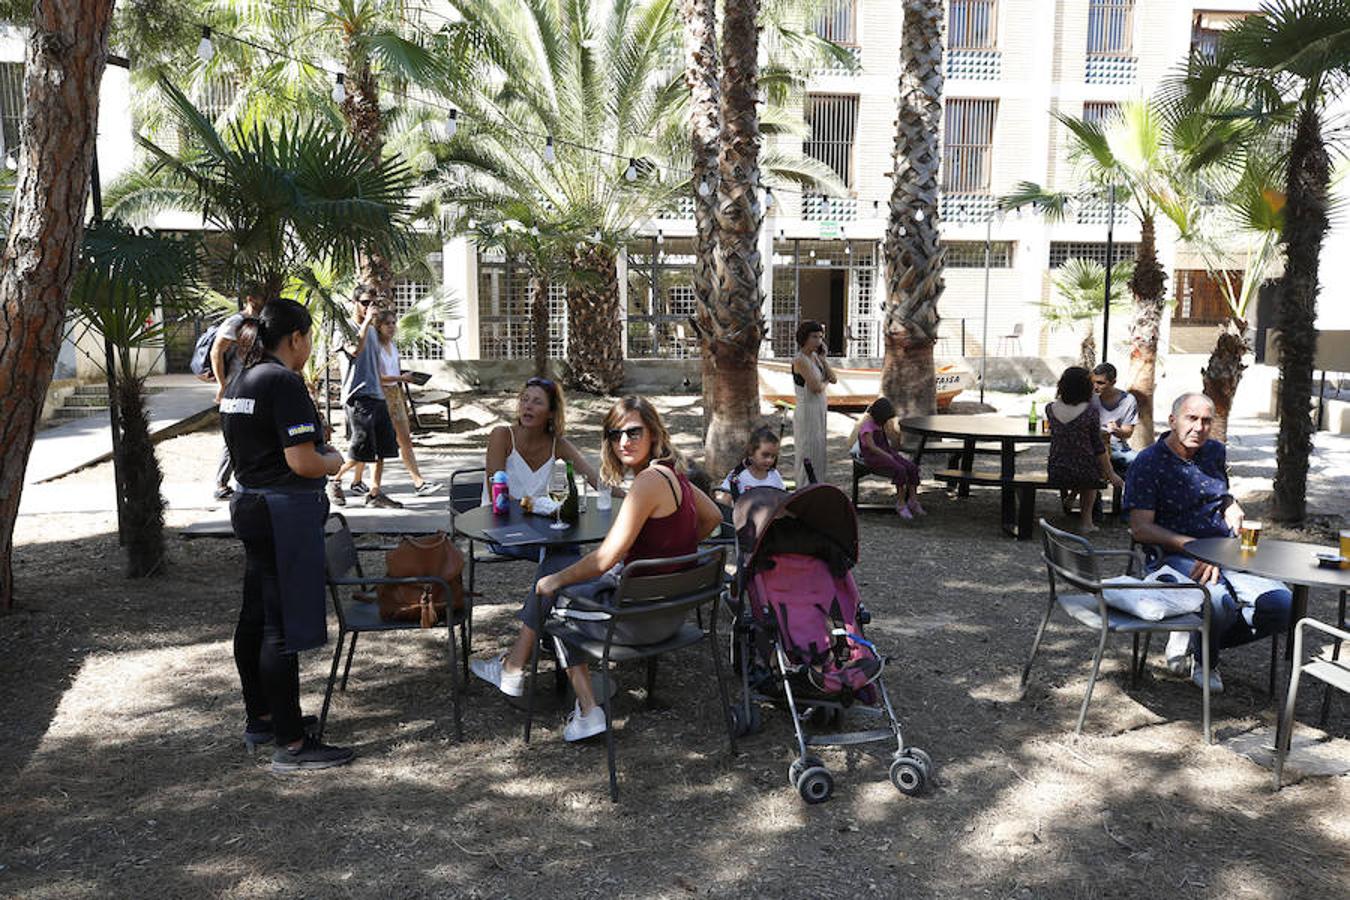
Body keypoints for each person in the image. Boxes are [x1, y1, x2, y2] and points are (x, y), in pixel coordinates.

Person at [470, 396, 724, 741]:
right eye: (614, 434)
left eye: (634, 432)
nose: (623, 442)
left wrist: (551, 582)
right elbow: (713, 517)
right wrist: (668, 549)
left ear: (654, 432)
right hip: (671, 614)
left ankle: (587, 710)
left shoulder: (647, 483)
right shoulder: (675, 475)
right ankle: (512, 669)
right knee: (560, 566)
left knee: (553, 592)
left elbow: (604, 559)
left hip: (637, 623)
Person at [221, 298, 354, 772]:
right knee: (281, 627)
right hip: (282, 513)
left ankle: (264, 717)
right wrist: (335, 461)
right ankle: (292, 744)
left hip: (251, 504)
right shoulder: (282, 381)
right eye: (309, 338)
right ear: (295, 337)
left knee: (255, 616)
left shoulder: (241, 376)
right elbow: (302, 461)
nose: (310, 347)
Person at [1124, 392, 1293, 693]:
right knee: (1217, 602)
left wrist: (1231, 503)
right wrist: (1196, 547)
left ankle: (1194, 639)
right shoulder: (1148, 463)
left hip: (1226, 550)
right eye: (1191, 419)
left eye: (1206, 421)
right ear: (1173, 420)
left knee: (1283, 606)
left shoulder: (1214, 451)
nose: (1199, 427)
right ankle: (1206, 659)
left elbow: (1218, 493)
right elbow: (1141, 529)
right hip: (1174, 554)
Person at [340, 311, 442, 499]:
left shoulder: (393, 346)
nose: (392, 327)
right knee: (370, 445)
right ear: (378, 326)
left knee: (404, 441)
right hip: (379, 394)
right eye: (387, 323)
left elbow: (394, 370)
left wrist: (405, 378)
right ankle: (350, 480)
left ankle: (418, 482)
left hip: (396, 394)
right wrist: (400, 377)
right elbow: (375, 376)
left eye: (394, 323)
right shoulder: (373, 346)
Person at [330, 304, 403, 509]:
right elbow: (355, 350)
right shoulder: (344, 329)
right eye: (364, 302)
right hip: (358, 396)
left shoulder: (372, 330)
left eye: (373, 302)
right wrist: (366, 324)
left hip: (377, 395)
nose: (369, 307)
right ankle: (334, 479)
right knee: (361, 449)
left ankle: (375, 493)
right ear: (354, 302)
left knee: (382, 449)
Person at [1046, 366, 1123, 534]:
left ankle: (1072, 496)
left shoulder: (1050, 408)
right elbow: (1098, 446)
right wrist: (1111, 474)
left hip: (1057, 467)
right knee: (1090, 471)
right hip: (1084, 470)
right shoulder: (1090, 412)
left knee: (1081, 466)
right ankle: (1086, 521)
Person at [207, 285, 265, 500]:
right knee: (234, 436)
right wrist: (223, 385)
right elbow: (216, 351)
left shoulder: (264, 321)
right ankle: (221, 483)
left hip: (255, 385)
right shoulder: (236, 322)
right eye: (261, 295)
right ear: (250, 298)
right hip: (236, 387)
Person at [852, 397, 924, 519]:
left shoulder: (880, 425)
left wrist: (894, 448)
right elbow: (872, 447)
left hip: (886, 452)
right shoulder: (867, 428)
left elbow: (890, 442)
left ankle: (913, 500)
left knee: (912, 467)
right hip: (874, 457)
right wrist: (888, 456)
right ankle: (901, 503)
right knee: (900, 469)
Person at [791, 320, 836, 487]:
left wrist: (824, 360)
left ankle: (818, 487)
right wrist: (825, 383)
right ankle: (803, 488)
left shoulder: (816, 357)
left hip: (820, 408)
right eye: (814, 337)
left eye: (820, 337)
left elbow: (834, 379)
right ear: (805, 338)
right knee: (807, 450)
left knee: (819, 451)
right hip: (807, 409)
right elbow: (816, 387)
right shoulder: (800, 360)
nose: (818, 341)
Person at [714, 427, 786, 505]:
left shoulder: (774, 475)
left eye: (773, 456)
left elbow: (782, 500)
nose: (769, 460)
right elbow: (725, 503)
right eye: (765, 455)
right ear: (751, 453)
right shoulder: (737, 475)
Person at [1090, 362, 1139, 473]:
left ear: (1113, 382)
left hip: (1116, 448)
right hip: (1092, 447)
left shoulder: (1128, 400)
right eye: (1093, 382)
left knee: (1142, 462)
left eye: (1100, 383)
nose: (1095, 387)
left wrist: (1117, 431)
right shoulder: (1089, 397)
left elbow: (1128, 432)